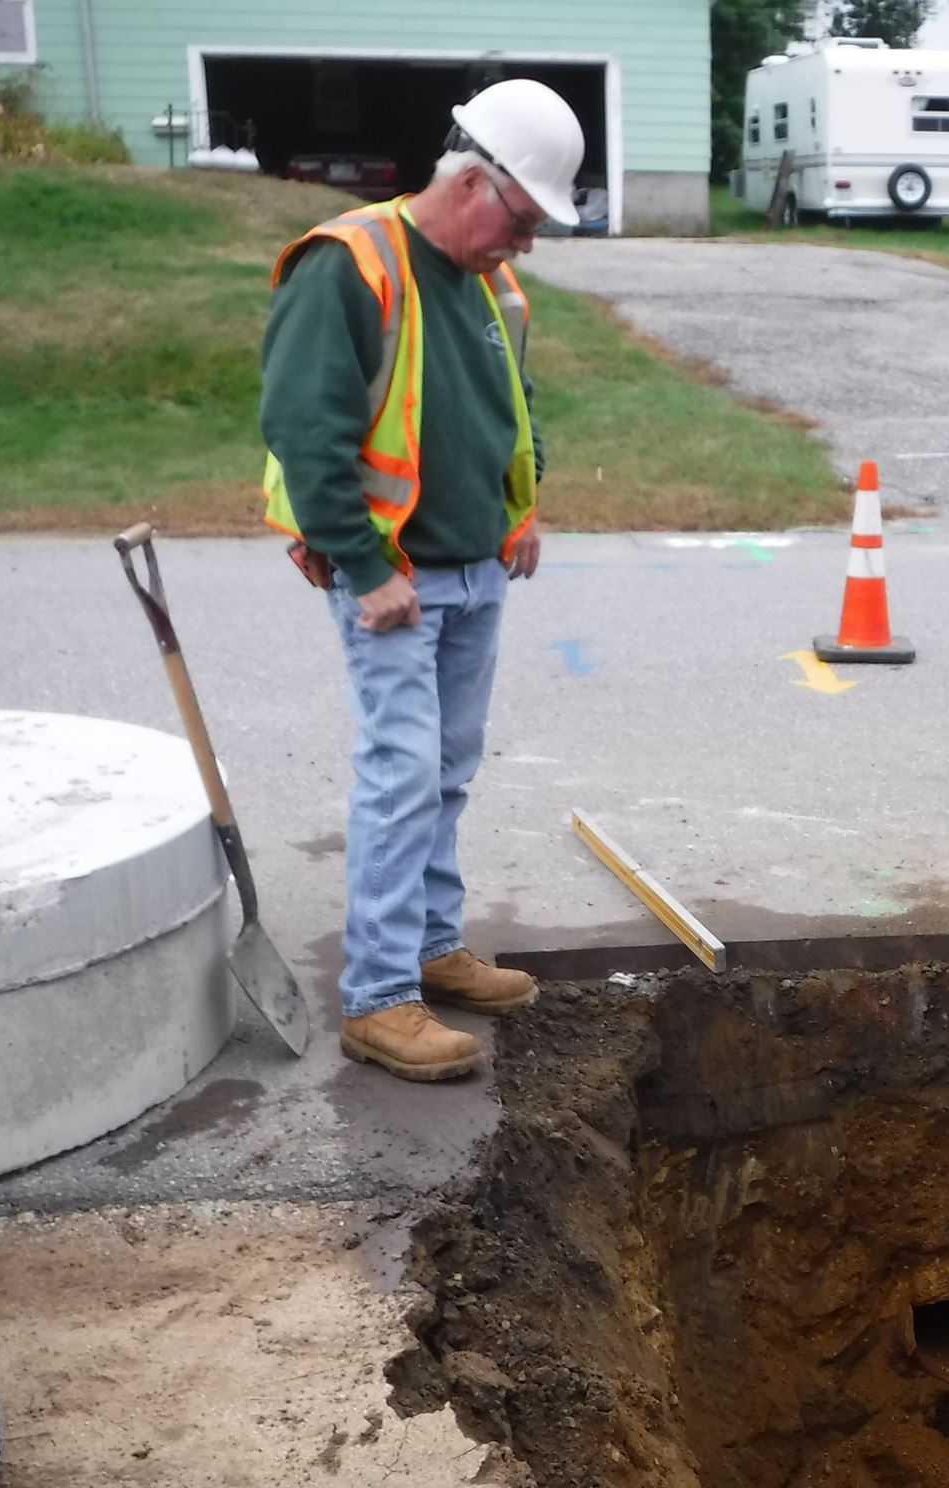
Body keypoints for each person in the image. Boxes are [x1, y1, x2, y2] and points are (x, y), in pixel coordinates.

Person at [259, 79, 584, 1082]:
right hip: (395, 581)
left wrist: (515, 510)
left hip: (476, 568)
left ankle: (432, 950)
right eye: (522, 220)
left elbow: (507, 405)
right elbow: (303, 431)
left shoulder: (488, 284)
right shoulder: (351, 264)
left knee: (444, 772)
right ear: (476, 183)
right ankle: (380, 999)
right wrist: (363, 565)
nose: (523, 245)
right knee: (400, 780)